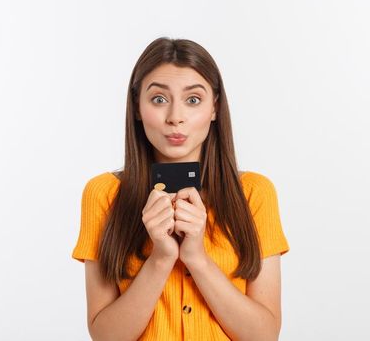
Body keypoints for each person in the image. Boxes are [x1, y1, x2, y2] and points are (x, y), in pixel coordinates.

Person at [72, 37, 290, 340]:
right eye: (159, 99)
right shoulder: (104, 194)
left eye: (193, 100)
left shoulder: (254, 193)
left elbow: (264, 335)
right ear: (137, 107)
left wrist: (197, 258)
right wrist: (160, 258)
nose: (176, 117)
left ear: (215, 107)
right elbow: (105, 336)